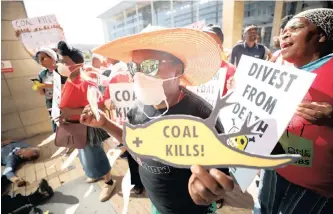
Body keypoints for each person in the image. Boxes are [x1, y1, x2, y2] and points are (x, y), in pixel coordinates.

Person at [80, 26, 234, 214]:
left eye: (150, 66)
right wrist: (104, 123)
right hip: (157, 204)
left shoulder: (202, 117)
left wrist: (208, 190)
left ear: (178, 69)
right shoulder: (138, 107)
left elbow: (220, 175)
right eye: (133, 67)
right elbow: (132, 140)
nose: (139, 75)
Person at [241, 9, 333, 214]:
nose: (285, 34)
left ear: (321, 36)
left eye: (297, 28)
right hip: (274, 167)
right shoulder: (279, 66)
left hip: (313, 188)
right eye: (285, 30)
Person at [56, 41, 116, 202]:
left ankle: (109, 182)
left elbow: (99, 106)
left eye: (65, 62)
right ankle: (96, 174)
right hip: (76, 125)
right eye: (61, 61)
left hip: (88, 126)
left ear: (78, 64)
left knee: (95, 154)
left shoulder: (85, 82)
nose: (61, 65)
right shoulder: (69, 79)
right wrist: (65, 114)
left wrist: (71, 112)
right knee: (86, 154)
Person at [34, 48, 67, 133]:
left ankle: (72, 140)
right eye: (39, 59)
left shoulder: (61, 69)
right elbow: (41, 93)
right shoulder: (42, 73)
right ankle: (61, 139)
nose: (40, 61)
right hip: (50, 101)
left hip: (64, 100)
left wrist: (48, 85)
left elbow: (68, 86)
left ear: (52, 58)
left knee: (67, 121)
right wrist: (38, 87)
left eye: (43, 58)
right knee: (55, 121)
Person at [202, 24, 237, 96]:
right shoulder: (192, 68)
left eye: (211, 42)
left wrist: (233, 89)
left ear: (220, 47)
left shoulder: (231, 70)